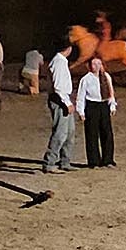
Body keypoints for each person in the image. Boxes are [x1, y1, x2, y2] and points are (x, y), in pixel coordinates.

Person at [75, 57, 118, 167]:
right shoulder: (86, 79)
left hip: (103, 105)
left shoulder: (106, 76)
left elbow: (111, 93)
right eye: (94, 64)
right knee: (92, 134)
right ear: (90, 66)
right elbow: (81, 96)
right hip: (91, 106)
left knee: (107, 133)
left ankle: (108, 159)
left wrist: (112, 106)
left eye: (99, 63)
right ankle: (94, 161)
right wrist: (81, 111)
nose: (97, 66)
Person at [42, 40, 77, 173]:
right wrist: (66, 102)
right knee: (60, 132)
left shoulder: (61, 61)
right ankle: (50, 162)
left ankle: (65, 161)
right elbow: (58, 86)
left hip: (63, 98)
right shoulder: (59, 62)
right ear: (68, 49)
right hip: (60, 100)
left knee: (69, 132)